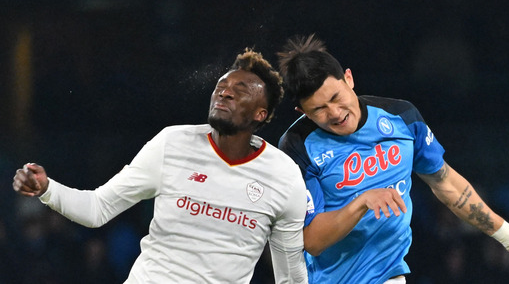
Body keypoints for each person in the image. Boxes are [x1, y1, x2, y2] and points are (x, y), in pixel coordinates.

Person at [13, 49, 308, 284]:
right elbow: (97, 209)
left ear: (261, 113)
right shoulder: (172, 143)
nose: (225, 93)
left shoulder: (283, 175)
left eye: (240, 89)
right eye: (221, 86)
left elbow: (291, 276)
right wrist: (47, 189)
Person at [276, 35, 509, 284]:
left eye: (336, 98)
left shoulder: (401, 117)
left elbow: (448, 186)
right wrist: (360, 203)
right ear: (303, 111)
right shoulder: (297, 145)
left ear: (349, 78)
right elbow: (312, 240)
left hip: (389, 276)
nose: (334, 113)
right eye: (319, 109)